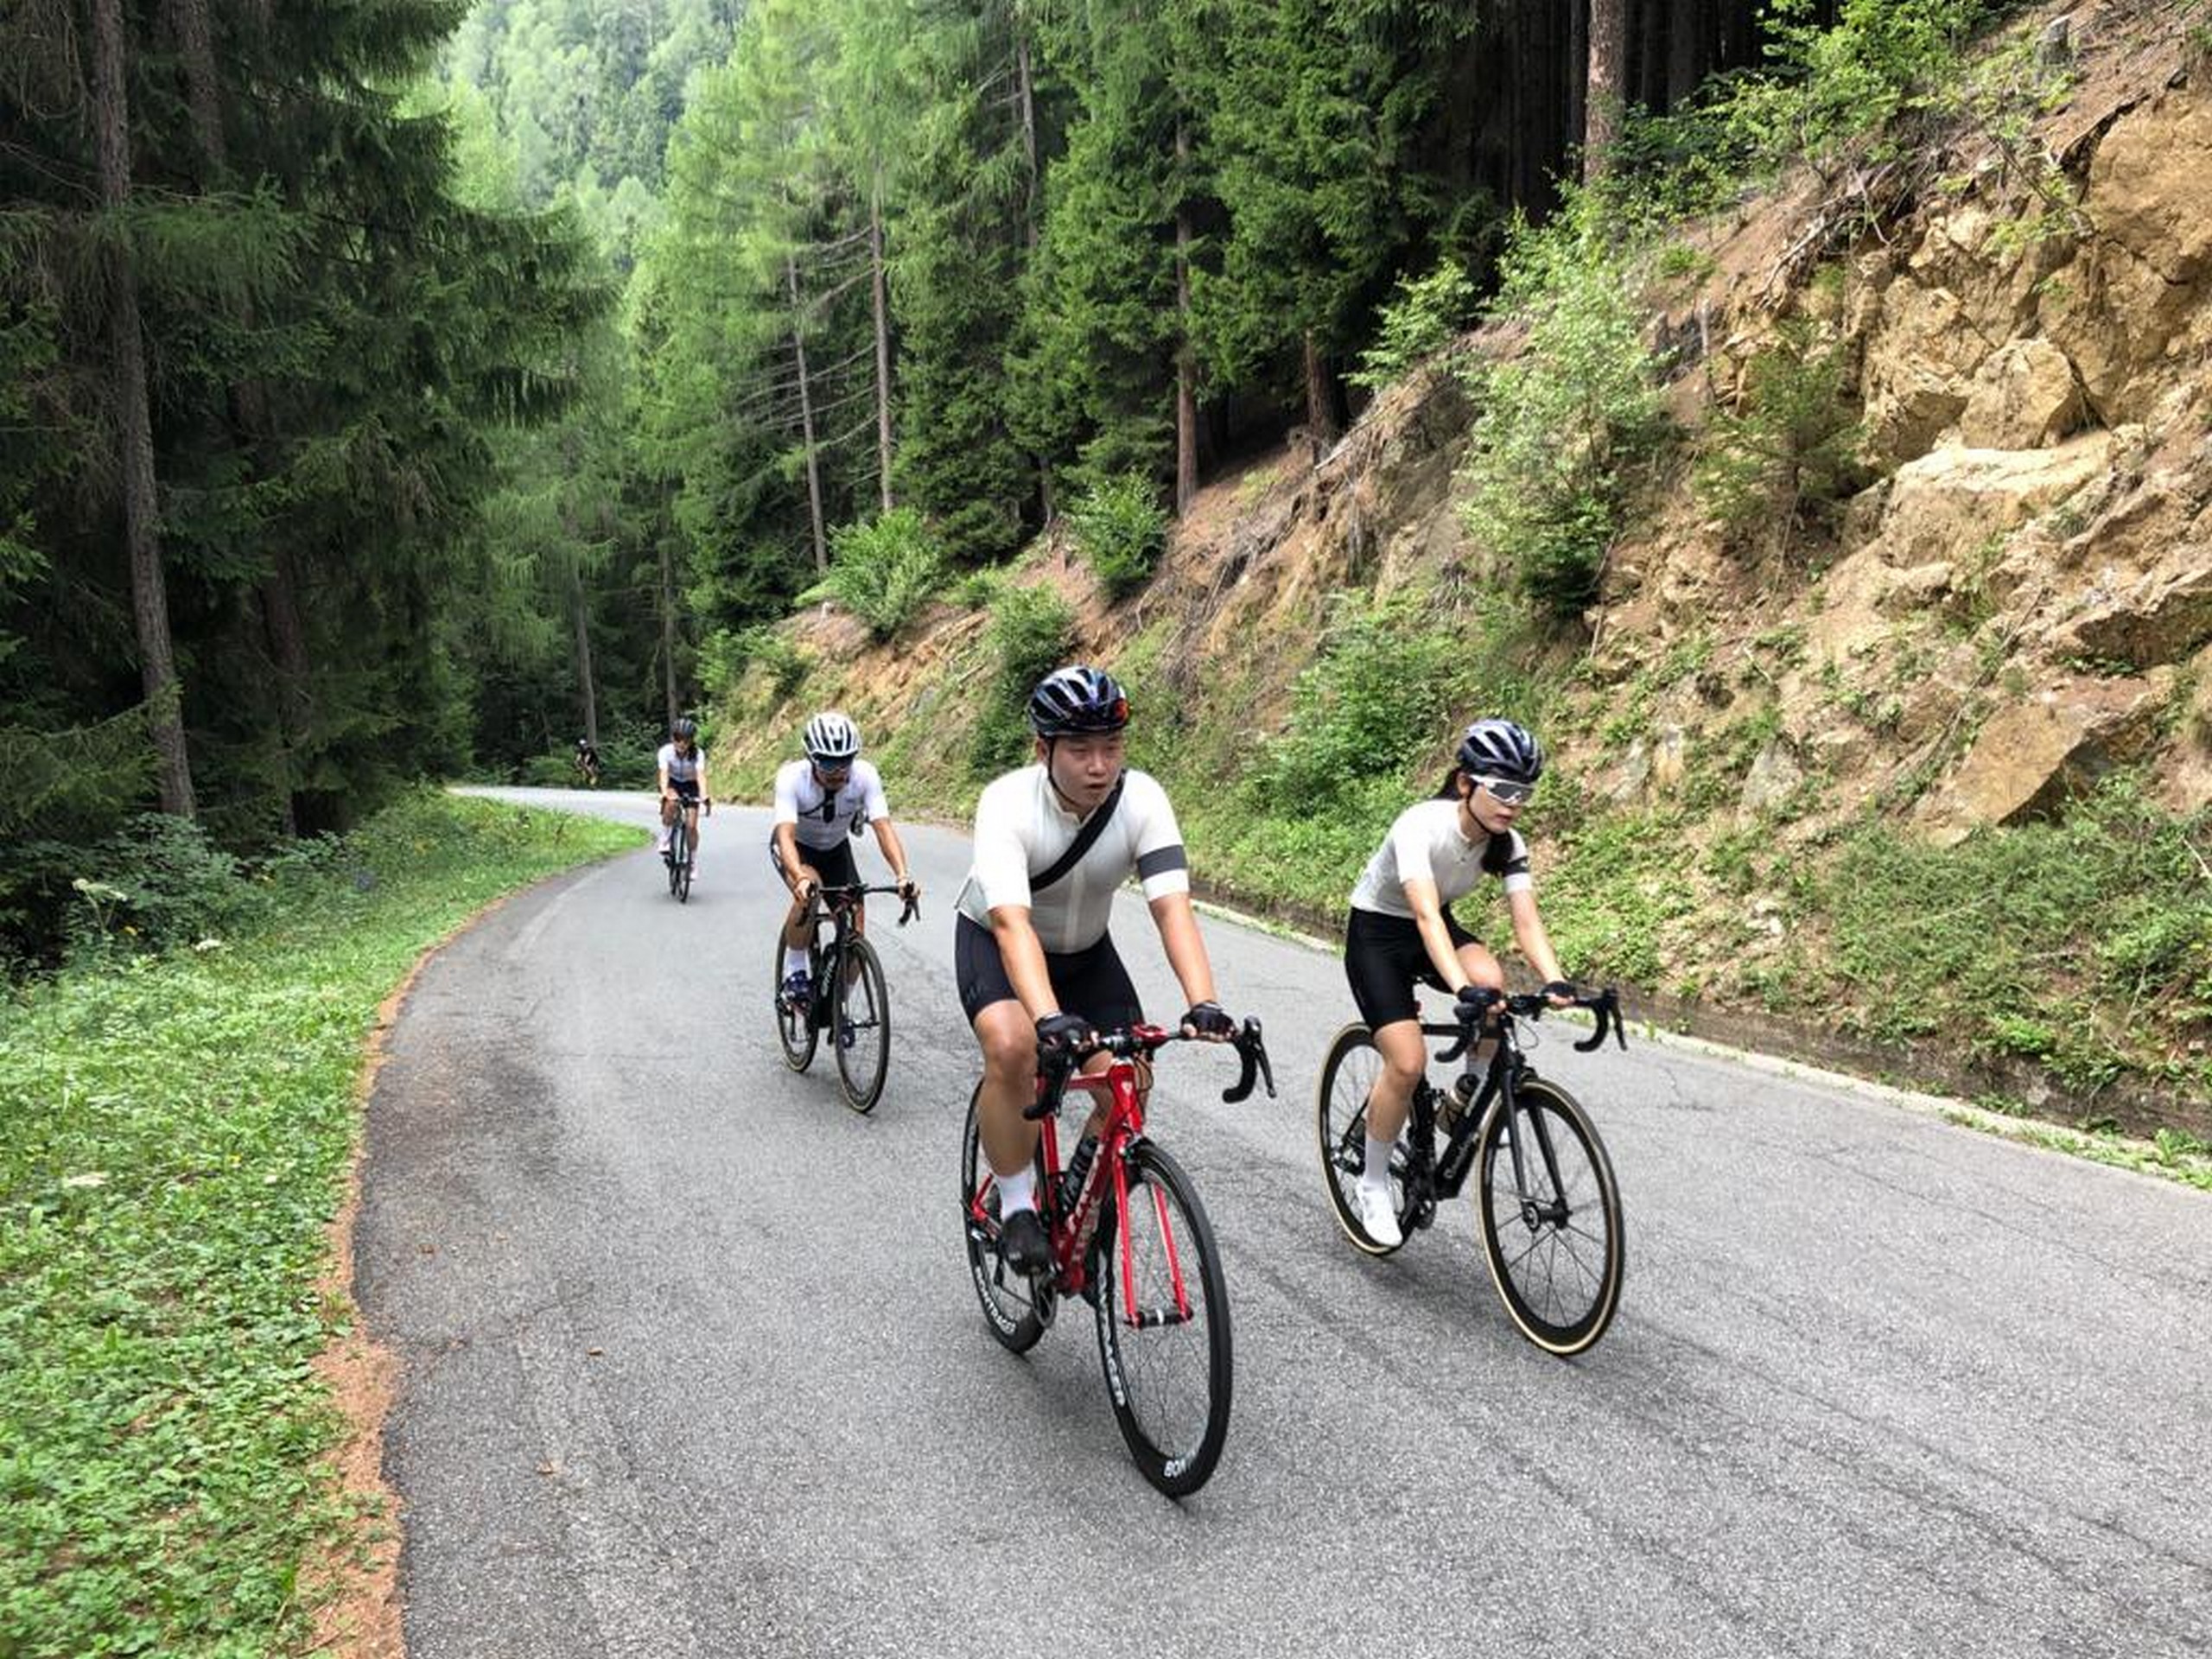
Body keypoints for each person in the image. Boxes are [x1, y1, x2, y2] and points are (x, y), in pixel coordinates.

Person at [956, 664, 1236, 1275]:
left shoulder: (1143, 800)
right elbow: (1011, 925)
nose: (1098, 765)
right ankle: (1015, 1205)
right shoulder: (1007, 803)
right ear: (1043, 749)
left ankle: (1082, 1194)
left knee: (1128, 1081)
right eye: (1080, 750)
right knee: (1013, 1047)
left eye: (1111, 747)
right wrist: (1049, 1016)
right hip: (999, 943)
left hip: (1085, 952)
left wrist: (1204, 1001)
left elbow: (1173, 909)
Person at [1340, 717, 1576, 1249]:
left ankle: (1464, 1093)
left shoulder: (1507, 841)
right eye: (1502, 789)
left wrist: (1556, 980)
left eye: (1524, 792)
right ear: (1466, 783)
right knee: (1406, 1062)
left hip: (1434, 927)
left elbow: (1527, 921)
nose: (1513, 803)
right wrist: (1459, 988)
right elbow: (1424, 916)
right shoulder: (1420, 825)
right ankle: (1373, 1183)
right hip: (1379, 932)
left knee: (1492, 981)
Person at [770, 711, 918, 1006]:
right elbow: (785, 835)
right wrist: (799, 877)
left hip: (836, 850)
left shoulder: (865, 776)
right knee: (810, 891)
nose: (838, 771)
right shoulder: (791, 778)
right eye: (827, 763)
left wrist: (902, 875)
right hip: (798, 850)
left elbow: (883, 828)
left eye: (845, 761)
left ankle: (840, 1005)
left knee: (854, 934)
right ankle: (795, 970)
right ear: (811, 758)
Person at [656, 716, 710, 870]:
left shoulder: (698, 753)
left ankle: (692, 863)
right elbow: (664, 773)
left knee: (691, 826)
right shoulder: (665, 752)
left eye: (685, 740)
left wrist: (704, 795)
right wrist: (665, 792)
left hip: (691, 785)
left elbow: (701, 775)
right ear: (673, 738)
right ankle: (665, 838)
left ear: (691, 741)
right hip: (672, 782)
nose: (681, 743)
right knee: (671, 802)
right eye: (678, 739)